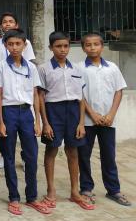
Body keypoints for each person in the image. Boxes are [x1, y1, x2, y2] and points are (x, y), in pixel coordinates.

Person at [0, 29, 50, 215]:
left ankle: (32, 197)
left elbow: (35, 95)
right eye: (11, 44)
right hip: (8, 112)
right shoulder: (1, 66)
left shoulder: (31, 67)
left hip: (26, 114)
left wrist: (37, 121)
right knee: (8, 156)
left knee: (31, 156)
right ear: (5, 46)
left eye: (18, 44)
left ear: (25, 45)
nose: (15, 47)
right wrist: (1, 122)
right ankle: (14, 197)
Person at [37, 31, 92, 211]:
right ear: (51, 47)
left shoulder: (76, 68)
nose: (62, 50)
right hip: (54, 111)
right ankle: (51, 190)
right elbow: (41, 97)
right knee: (51, 149)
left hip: (73, 112)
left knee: (73, 151)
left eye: (66, 46)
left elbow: (81, 97)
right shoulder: (44, 69)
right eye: (58, 46)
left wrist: (81, 123)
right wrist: (45, 123)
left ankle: (75, 191)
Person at [77, 32, 131, 207]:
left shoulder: (112, 68)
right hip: (87, 121)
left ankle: (113, 189)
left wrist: (111, 115)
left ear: (102, 46)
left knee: (109, 155)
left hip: (108, 120)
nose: (92, 48)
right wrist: (92, 114)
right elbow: (79, 94)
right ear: (83, 48)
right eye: (88, 45)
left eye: (96, 44)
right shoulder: (79, 68)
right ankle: (86, 188)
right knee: (84, 155)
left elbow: (118, 91)